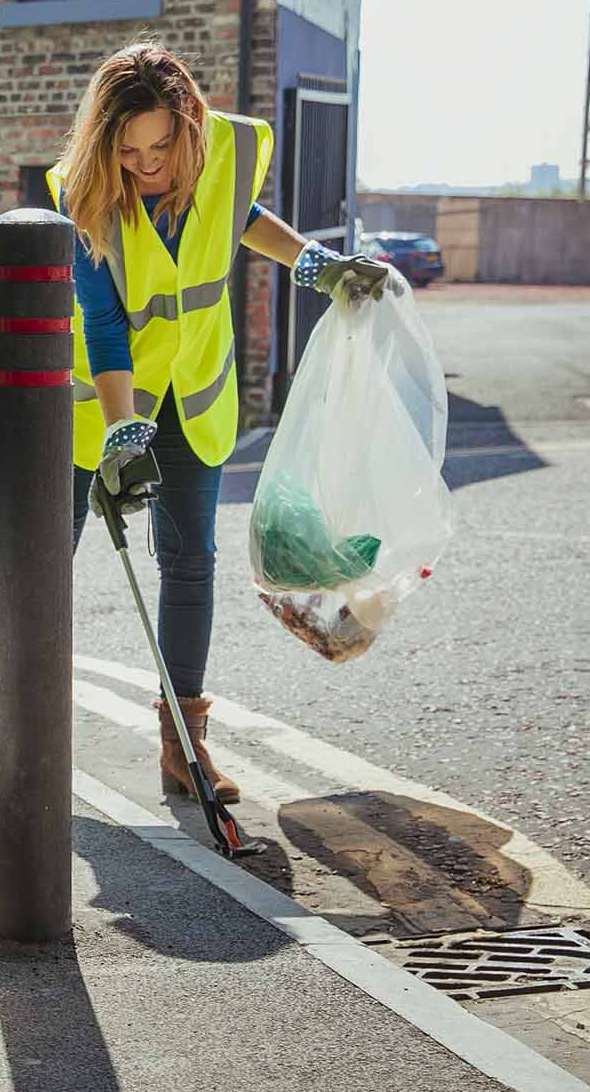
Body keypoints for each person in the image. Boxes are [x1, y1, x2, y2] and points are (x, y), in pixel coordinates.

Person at [54, 43, 389, 803]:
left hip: (195, 394)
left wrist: (317, 264)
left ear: (189, 126)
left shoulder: (226, 155)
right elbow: (104, 325)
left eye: (160, 146)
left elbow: (243, 218)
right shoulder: (84, 194)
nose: (145, 165)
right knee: (47, 565)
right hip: (99, 408)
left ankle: (183, 746)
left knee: (189, 562)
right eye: (128, 151)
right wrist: (121, 430)